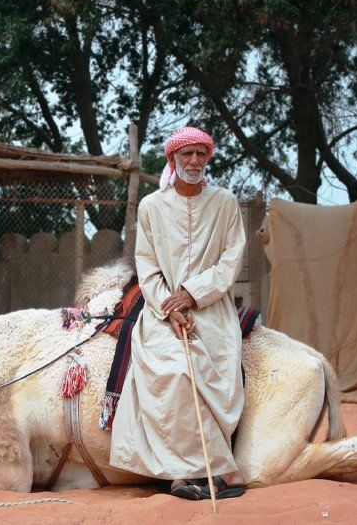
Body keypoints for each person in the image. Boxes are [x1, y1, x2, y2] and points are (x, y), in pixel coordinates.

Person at [109, 126, 247, 500]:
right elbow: (147, 265)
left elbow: (231, 259)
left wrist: (193, 293)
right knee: (174, 371)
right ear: (172, 160)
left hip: (212, 307)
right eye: (186, 154)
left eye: (201, 154)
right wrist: (169, 307)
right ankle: (184, 475)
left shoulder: (225, 203)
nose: (194, 161)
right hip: (163, 309)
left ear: (208, 160)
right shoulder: (152, 206)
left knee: (216, 365)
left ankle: (212, 470)